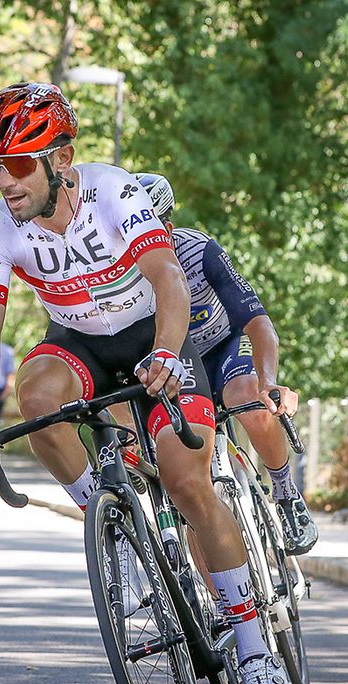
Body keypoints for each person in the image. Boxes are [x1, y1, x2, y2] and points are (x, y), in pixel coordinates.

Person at [0, 82, 292, 684]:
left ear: (61, 159)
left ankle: (253, 648)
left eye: (19, 164)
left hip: (153, 336)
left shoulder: (114, 191)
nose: (5, 181)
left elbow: (168, 277)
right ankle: (116, 530)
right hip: (78, 341)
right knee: (36, 402)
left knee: (188, 484)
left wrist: (167, 353)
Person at [135, 172, 318, 555]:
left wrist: (269, 381)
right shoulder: (121, 278)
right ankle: (223, 606)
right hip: (177, 371)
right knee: (190, 492)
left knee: (246, 397)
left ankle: (286, 495)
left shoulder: (198, 251)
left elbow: (258, 323)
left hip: (222, 349)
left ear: (166, 227)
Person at [0, 342, 16, 419]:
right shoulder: (7, 350)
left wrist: (5, 392)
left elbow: (10, 374)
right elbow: (10, 373)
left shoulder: (7, 350)